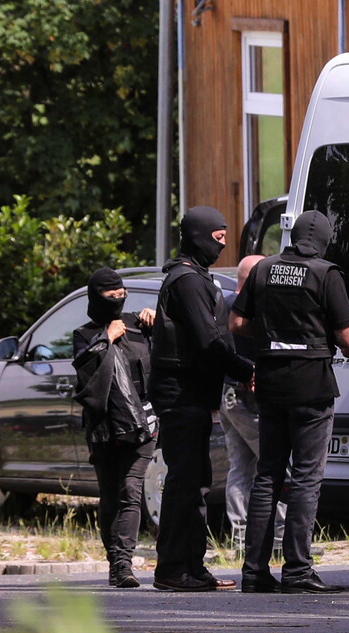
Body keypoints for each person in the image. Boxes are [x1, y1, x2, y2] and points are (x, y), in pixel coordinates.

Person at [229, 210, 349, 594]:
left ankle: (253, 572)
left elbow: (236, 323)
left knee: (267, 475)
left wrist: (269, 334)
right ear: (323, 241)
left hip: (269, 384)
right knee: (305, 478)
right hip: (312, 386)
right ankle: (298, 571)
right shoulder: (326, 273)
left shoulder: (264, 269)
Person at [149, 206, 254, 592]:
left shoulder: (197, 278)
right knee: (184, 483)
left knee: (197, 484)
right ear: (199, 236)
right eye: (218, 237)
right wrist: (246, 371)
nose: (222, 245)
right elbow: (208, 341)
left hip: (192, 394)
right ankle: (172, 570)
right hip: (180, 395)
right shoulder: (187, 282)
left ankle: (193, 567)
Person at [72, 267, 158, 589]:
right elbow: (85, 373)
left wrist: (157, 319)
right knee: (109, 496)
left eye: (123, 295)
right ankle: (114, 560)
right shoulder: (84, 335)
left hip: (142, 425)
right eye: (111, 296)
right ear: (96, 298)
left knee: (131, 492)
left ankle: (124, 564)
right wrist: (104, 340)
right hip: (105, 429)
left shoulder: (138, 325)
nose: (119, 301)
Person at [218, 254, 289, 557]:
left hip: (226, 395)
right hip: (249, 395)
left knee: (240, 466)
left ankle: (239, 541)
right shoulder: (256, 305)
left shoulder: (221, 303)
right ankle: (279, 541)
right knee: (278, 464)